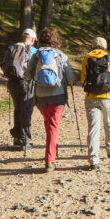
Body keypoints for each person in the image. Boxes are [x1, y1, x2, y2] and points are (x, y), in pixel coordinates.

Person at [24, 26, 76, 172]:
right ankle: (49, 159)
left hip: (40, 96)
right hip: (57, 95)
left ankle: (52, 150)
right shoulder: (60, 55)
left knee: (49, 125)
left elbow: (27, 76)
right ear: (56, 39)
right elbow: (71, 77)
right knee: (53, 127)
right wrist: (71, 82)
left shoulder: (36, 55)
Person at [79, 36, 110, 171]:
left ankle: (93, 159)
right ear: (105, 46)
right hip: (109, 97)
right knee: (109, 122)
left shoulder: (87, 59)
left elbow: (83, 79)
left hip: (91, 97)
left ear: (92, 46)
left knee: (93, 127)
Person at [1, 28, 37, 150]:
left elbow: (4, 63)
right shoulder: (33, 50)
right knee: (26, 110)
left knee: (18, 109)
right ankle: (25, 140)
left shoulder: (11, 47)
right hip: (27, 83)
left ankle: (17, 138)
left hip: (12, 82)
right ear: (32, 39)